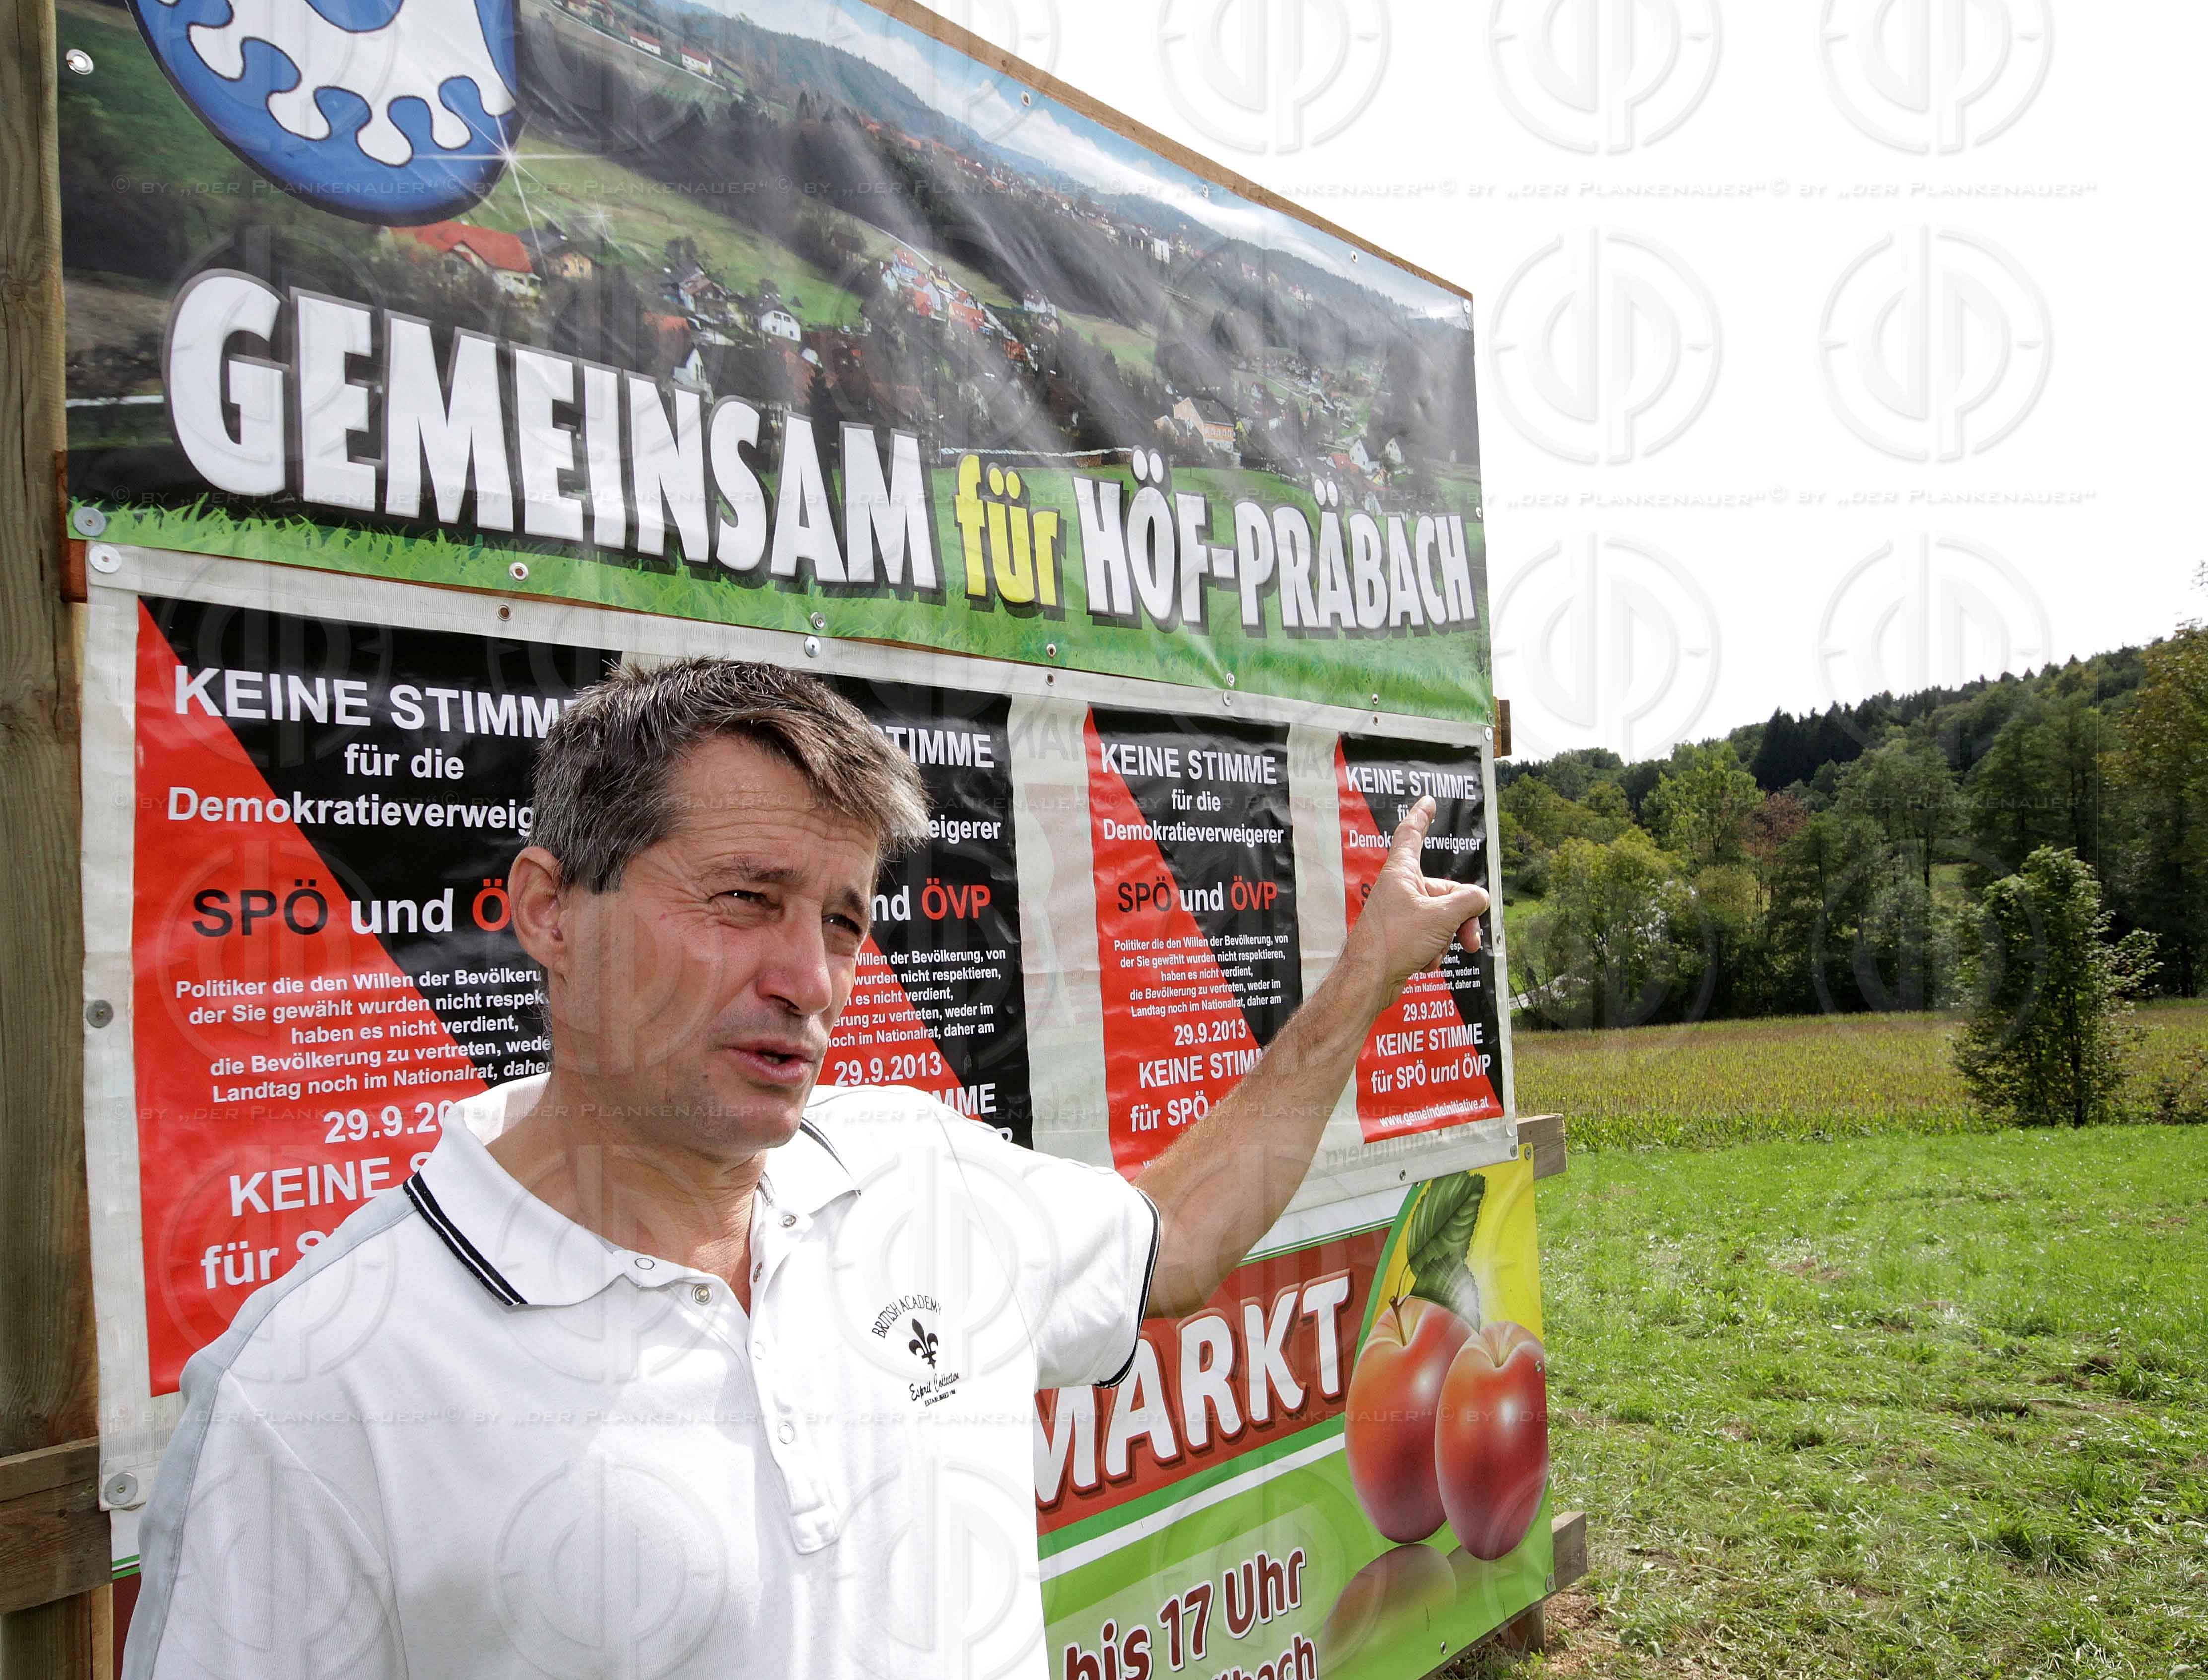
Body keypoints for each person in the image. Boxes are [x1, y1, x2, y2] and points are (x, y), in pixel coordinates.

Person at [124, 658, 1489, 1680]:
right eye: (744, 900)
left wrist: (1366, 977)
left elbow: (1173, 1241)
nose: (810, 980)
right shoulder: (319, 1391)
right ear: (549, 911)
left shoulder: (924, 1180)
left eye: (841, 920)